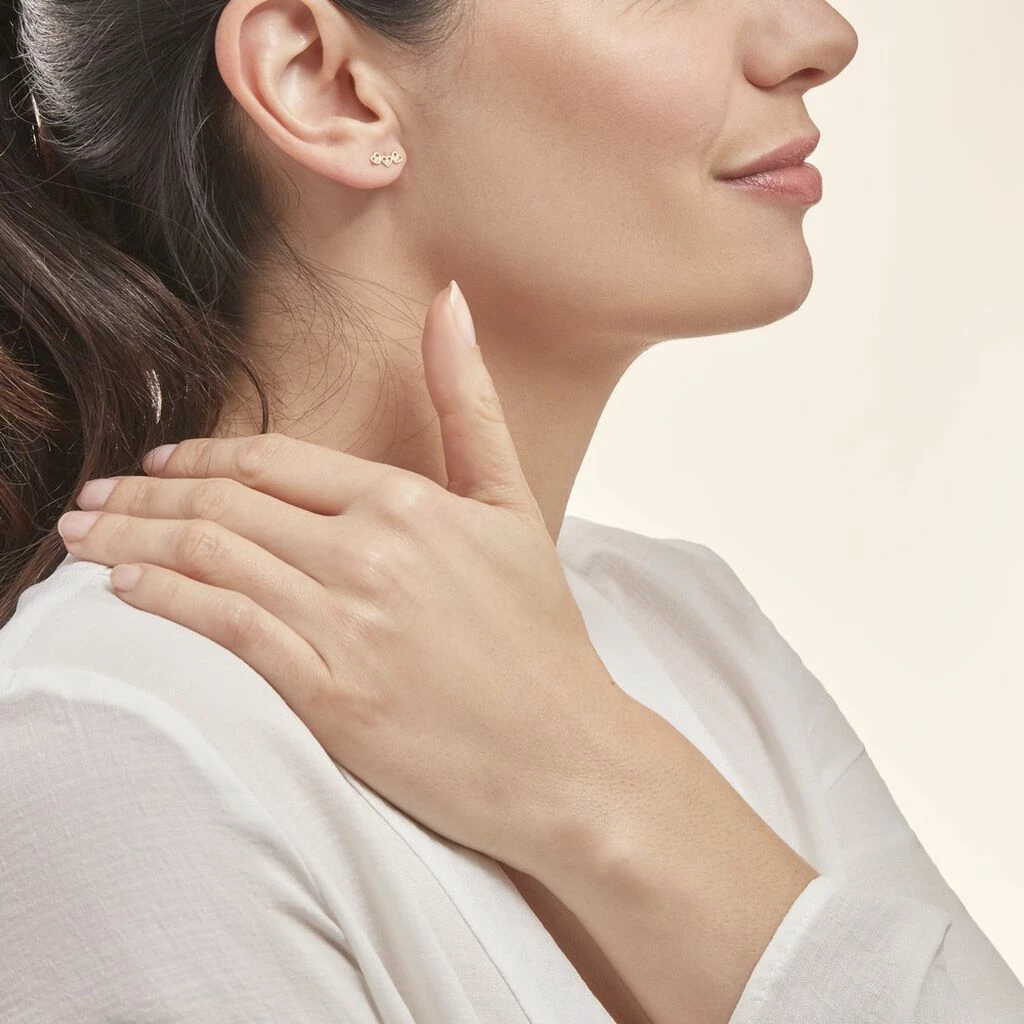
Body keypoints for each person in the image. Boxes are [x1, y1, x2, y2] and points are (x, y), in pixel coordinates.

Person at [0, 1, 1021, 1022]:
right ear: (324, 83)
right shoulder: (117, 736)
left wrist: (598, 778)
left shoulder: (693, 628)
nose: (820, 36)